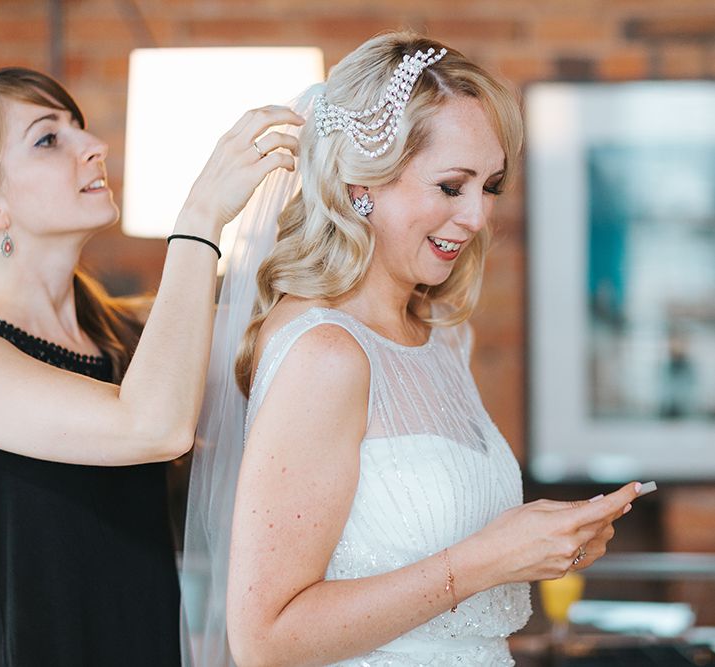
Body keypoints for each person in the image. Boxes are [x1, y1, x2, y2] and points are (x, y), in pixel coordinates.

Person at [182, 33, 642, 667]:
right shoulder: (326, 354)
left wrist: (541, 543)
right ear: (360, 183)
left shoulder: (440, 336)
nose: (478, 218)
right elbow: (265, 639)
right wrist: (485, 561)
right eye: (452, 187)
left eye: (491, 186)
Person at [0, 66, 302, 667]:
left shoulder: (130, 334)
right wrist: (202, 214)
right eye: (48, 138)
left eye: (79, 127)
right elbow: (152, 426)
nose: (93, 146)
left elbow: (280, 340)